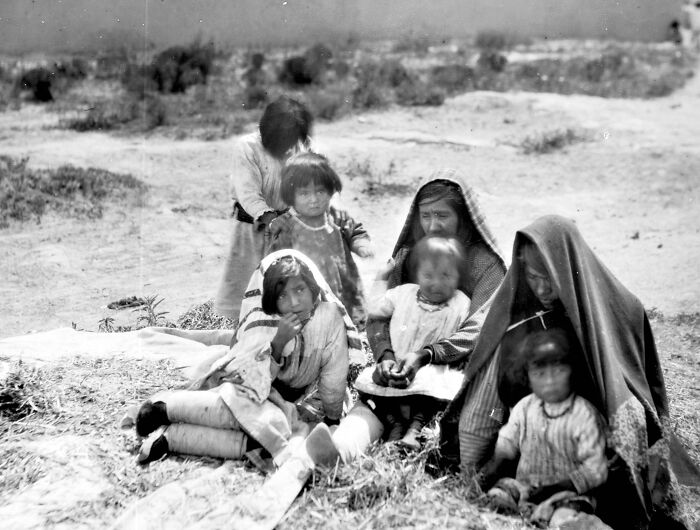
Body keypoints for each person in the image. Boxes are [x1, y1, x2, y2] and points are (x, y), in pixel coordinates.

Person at [439, 214, 693, 529]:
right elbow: (481, 414)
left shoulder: (619, 308)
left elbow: (634, 404)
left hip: (597, 456)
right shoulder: (517, 325)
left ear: (569, 269)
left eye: (550, 278)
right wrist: (471, 480)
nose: (542, 288)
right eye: (532, 277)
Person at [328, 169, 507, 463]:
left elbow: (477, 329)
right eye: (425, 216)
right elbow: (380, 314)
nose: (432, 225)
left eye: (442, 216)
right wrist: (385, 354)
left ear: (463, 217)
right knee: (375, 404)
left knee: (432, 407)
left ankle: (409, 437)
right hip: (400, 362)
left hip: (453, 371)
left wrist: (426, 355)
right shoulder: (413, 254)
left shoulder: (488, 266)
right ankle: (339, 450)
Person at [134, 249, 364, 467]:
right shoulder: (263, 322)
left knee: (272, 432)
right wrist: (278, 343)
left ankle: (172, 439)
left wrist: (333, 420)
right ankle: (164, 409)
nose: (294, 302)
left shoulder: (329, 317)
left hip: (283, 406)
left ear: (313, 289)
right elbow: (251, 380)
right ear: (272, 300)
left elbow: (334, 374)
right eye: (283, 295)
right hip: (250, 392)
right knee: (239, 413)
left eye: (300, 290)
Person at [478, 328, 607, 527]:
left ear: (573, 371)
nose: (549, 381)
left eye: (559, 371)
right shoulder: (525, 407)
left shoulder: (584, 414)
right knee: (495, 498)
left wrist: (552, 488)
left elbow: (596, 470)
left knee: (564, 520)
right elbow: (505, 449)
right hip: (524, 489)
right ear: (527, 377)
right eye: (539, 374)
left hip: (567, 496)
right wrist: (482, 478)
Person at [352, 235, 471, 450]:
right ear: (417, 274)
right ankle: (394, 425)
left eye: (446, 276)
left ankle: (414, 431)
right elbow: (374, 308)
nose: (436, 283)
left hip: (428, 367)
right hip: (397, 365)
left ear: (458, 277)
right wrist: (381, 277)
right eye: (428, 275)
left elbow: (469, 334)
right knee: (372, 388)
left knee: (429, 395)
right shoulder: (403, 294)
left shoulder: (461, 303)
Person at [214, 96, 313, 321]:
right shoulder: (248, 148)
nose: (287, 147)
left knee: (287, 290)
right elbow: (248, 194)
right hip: (252, 229)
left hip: (289, 229)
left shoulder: (302, 147)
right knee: (246, 295)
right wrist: (270, 218)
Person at [268, 152, 373, 329]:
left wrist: (360, 244)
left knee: (346, 321)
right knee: (317, 325)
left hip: (343, 284)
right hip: (309, 290)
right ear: (290, 196)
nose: (314, 200)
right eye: (304, 193)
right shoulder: (287, 227)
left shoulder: (336, 217)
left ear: (331, 191)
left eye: (320, 191)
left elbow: (354, 230)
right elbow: (276, 260)